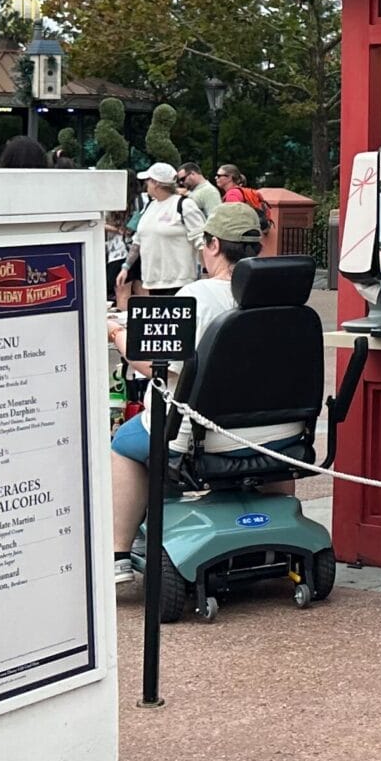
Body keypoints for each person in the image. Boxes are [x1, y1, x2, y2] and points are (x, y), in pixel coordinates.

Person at [105, 202, 270, 584]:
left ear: (213, 245)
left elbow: (157, 367)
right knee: (268, 435)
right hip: (278, 434)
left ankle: (118, 554)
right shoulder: (283, 296)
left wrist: (115, 332)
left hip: (200, 436)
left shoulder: (197, 295)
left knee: (124, 444)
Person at [129, 160, 206, 297]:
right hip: (152, 282)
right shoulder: (149, 206)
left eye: (148, 180)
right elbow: (138, 241)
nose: (145, 184)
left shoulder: (184, 205)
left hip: (180, 283)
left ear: (156, 183)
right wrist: (125, 267)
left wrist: (206, 273)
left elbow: (201, 241)